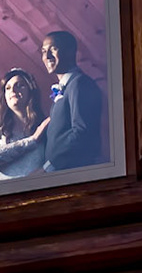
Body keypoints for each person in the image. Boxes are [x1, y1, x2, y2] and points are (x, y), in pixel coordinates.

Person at [40, 29, 104, 172]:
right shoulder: (67, 86)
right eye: (44, 51)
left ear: (70, 51)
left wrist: (50, 166)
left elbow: (82, 132)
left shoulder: (80, 83)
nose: (47, 56)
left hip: (74, 171)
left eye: (53, 49)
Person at [0, 68, 51, 180]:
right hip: (7, 194)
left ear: (30, 91)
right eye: (7, 88)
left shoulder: (44, 127)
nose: (13, 90)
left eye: (19, 85)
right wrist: (32, 140)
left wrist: (44, 170)